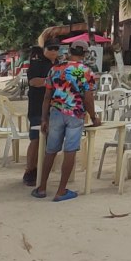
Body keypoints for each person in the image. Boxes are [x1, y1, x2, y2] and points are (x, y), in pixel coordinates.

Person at [33, 40, 100, 202]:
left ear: (69, 51)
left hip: (56, 113)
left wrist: (44, 118)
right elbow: (88, 98)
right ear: (85, 54)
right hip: (75, 114)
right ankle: (61, 191)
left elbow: (47, 97)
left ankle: (42, 188)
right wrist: (94, 117)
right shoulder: (86, 71)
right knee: (70, 151)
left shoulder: (55, 69)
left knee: (51, 150)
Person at [22, 44, 58, 187]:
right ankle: (30, 170)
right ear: (44, 50)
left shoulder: (60, 64)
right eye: (51, 48)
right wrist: (52, 82)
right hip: (37, 108)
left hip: (55, 108)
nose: (54, 51)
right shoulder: (36, 63)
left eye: (56, 48)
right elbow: (33, 82)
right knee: (36, 139)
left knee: (50, 141)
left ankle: (42, 171)